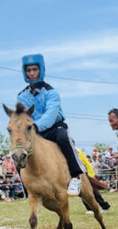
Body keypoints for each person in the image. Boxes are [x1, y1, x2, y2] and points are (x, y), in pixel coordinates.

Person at [16, 53, 84, 195]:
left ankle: (76, 177)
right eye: (28, 70)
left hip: (54, 127)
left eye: (35, 69)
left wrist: (36, 126)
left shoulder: (52, 92)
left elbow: (51, 115)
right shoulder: (21, 96)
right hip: (34, 131)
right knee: (18, 149)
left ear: (41, 70)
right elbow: (23, 116)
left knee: (63, 138)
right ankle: (26, 186)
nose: (32, 73)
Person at [76, 148, 111, 214]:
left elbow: (85, 163)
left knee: (85, 192)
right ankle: (104, 206)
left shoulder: (76, 151)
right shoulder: (76, 151)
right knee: (91, 192)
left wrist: (91, 174)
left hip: (82, 174)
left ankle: (94, 208)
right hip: (81, 174)